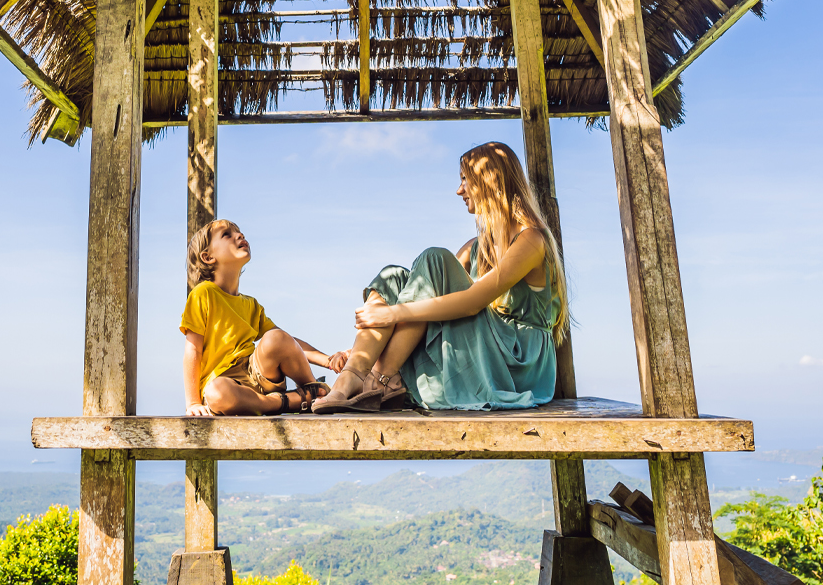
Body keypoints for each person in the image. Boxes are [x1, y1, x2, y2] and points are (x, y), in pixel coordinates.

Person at [313, 141, 569, 413]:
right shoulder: (477, 247)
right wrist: (362, 349)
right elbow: (424, 291)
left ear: (490, 181)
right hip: (487, 345)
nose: (459, 190)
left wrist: (391, 315)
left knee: (434, 259)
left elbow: (472, 302)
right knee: (393, 277)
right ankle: (353, 375)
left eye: (464, 180)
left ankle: (380, 379)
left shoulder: (531, 240)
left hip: (516, 364)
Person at [180, 219, 332, 415]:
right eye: (227, 234)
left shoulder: (251, 304)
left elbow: (288, 344)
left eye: (239, 232)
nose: (240, 235)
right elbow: (193, 351)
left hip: (258, 374)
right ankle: (285, 402)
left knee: (276, 337)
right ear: (208, 257)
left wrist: (327, 360)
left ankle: (314, 391)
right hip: (226, 385)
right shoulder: (203, 294)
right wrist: (192, 403)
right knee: (217, 393)